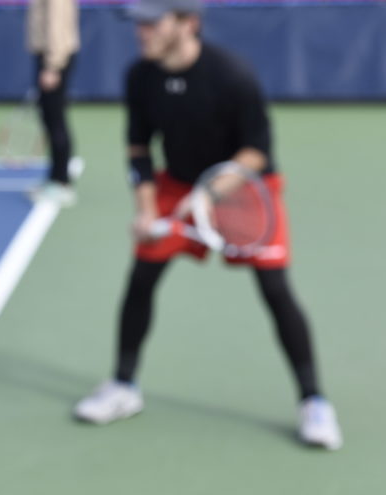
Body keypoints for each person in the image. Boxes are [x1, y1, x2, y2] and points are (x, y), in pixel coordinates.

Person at [72, 0, 342, 449]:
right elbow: (138, 150)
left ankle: (314, 401)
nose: (142, 32)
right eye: (137, 23)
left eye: (152, 22)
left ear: (187, 23)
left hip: (243, 186)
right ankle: (123, 387)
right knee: (141, 279)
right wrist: (145, 210)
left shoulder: (231, 74)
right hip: (175, 186)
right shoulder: (140, 76)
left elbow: (257, 149)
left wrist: (209, 193)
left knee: (275, 289)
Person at [26, 0, 80, 205]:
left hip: (55, 58)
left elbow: (58, 23)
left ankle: (62, 182)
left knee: (55, 119)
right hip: (50, 56)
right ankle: (54, 177)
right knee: (49, 118)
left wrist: (53, 66)